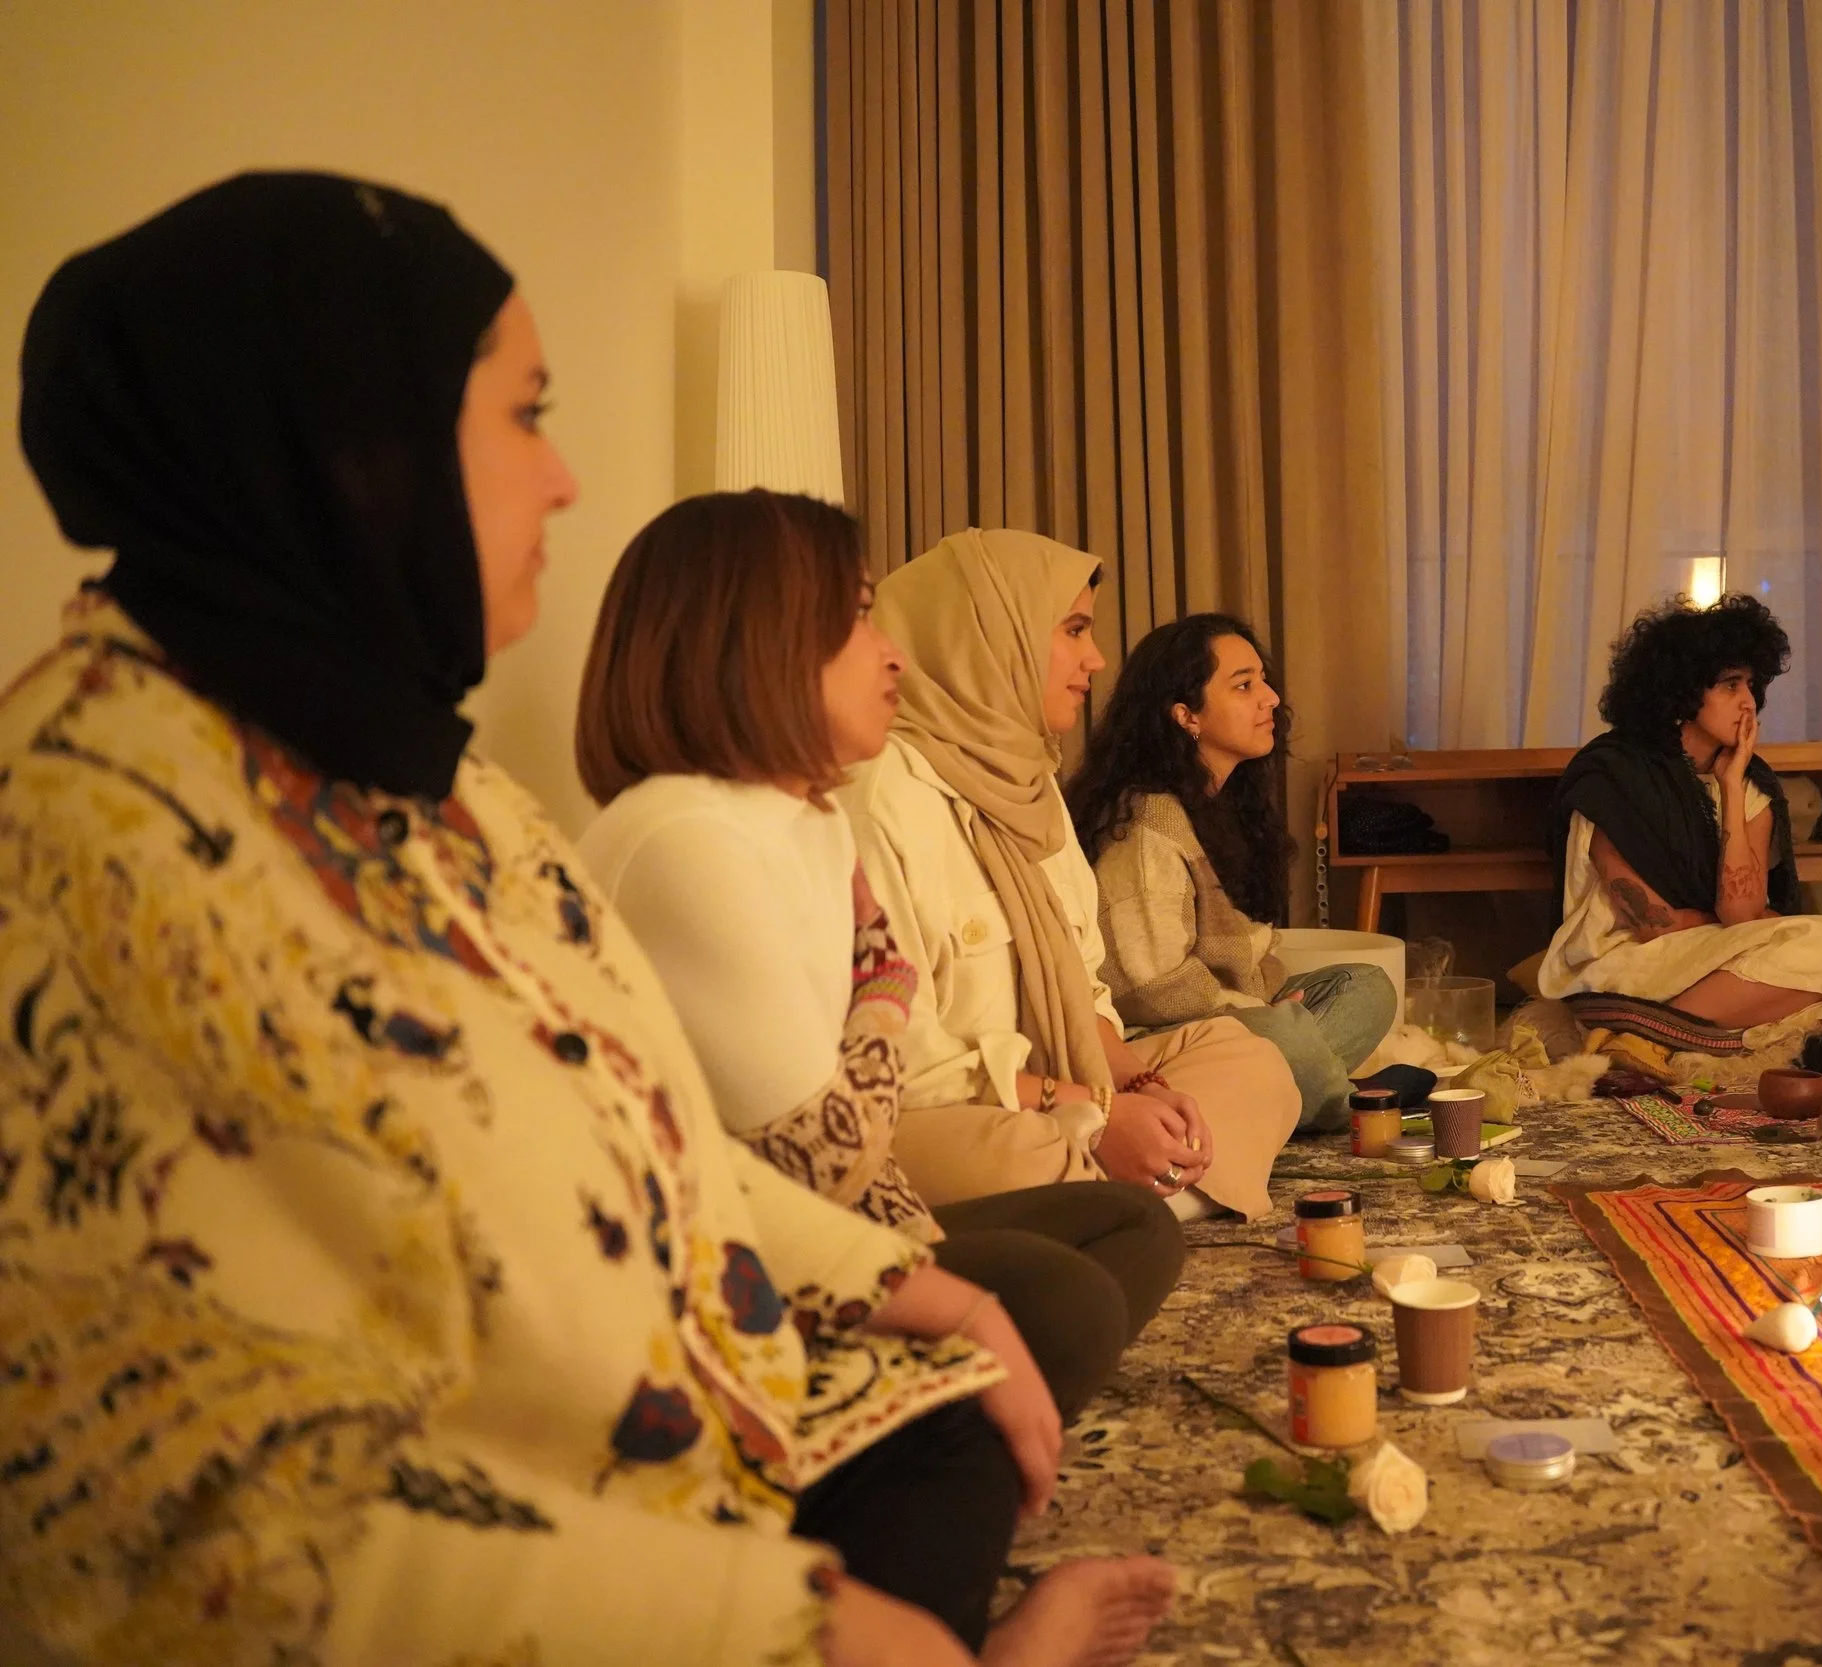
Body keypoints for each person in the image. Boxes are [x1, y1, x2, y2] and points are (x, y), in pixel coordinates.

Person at [0, 173, 1170, 1667]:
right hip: (494, 1510)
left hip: (694, 1385)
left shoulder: (439, 785)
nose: (564, 484)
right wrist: (793, 1618)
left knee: (959, 1405)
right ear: (353, 448)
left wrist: (915, 1283)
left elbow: (657, 1136)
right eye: (527, 415)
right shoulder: (103, 838)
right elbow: (204, 1521)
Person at [574, 491, 1184, 1421]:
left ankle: (936, 1407)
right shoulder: (682, 834)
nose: (892, 650)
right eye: (856, 619)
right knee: (1068, 1292)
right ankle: (919, 1423)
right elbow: (839, 1153)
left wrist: (935, 1250)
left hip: (846, 1213)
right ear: (755, 644)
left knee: (1129, 1232)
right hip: (738, 1258)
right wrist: (889, 979)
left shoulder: (803, 819)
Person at [840, 530, 1300, 1221]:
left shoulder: (1032, 784)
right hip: (962, 1110)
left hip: (1066, 1088)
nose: (1097, 658)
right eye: (1075, 629)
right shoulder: (884, 796)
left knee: (1254, 1061)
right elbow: (907, 1064)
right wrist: (1095, 1111)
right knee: (1013, 1154)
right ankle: (1139, 1194)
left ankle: (1117, 1198)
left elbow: (1087, 995)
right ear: (990, 636)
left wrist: (1136, 1084)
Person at [1535, 594, 1822, 1049]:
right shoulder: (1613, 778)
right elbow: (1656, 925)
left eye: (1752, 686)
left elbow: (1739, 913)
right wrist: (1731, 920)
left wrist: (1732, 786)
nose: (1749, 702)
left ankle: (1678, 1035)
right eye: (1731, 685)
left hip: (1709, 954)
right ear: (1682, 692)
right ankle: (1656, 1034)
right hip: (1628, 962)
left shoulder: (1750, 783)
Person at [1067, 614, 1396, 1134]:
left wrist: (1265, 1008)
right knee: (1285, 1038)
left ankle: (1281, 1095)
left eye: (1262, 680)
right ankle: (1323, 1101)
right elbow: (1150, 988)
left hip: (1230, 1017)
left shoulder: (1223, 804)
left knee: (1365, 986)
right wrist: (1259, 1013)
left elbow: (1238, 952)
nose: (1270, 698)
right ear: (1185, 715)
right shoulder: (1147, 821)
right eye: (1244, 686)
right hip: (1152, 1039)